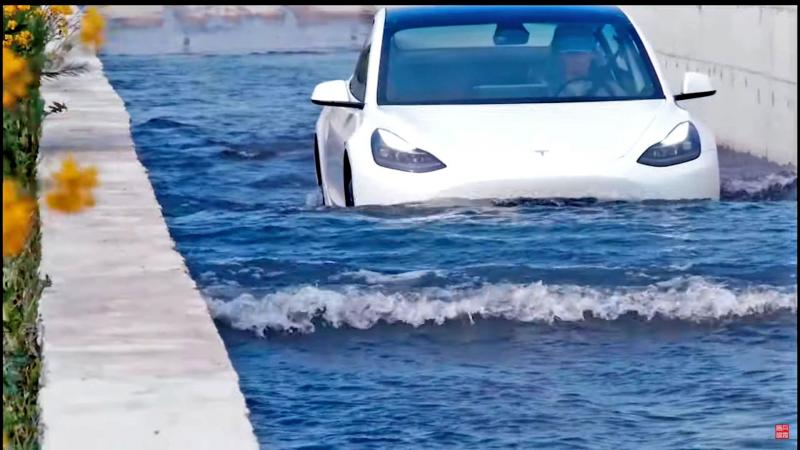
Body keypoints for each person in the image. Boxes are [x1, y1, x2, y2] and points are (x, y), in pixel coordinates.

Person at [546, 24, 625, 98]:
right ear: (557, 56)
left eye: (582, 53)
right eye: (570, 53)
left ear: (593, 55)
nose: (577, 59)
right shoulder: (541, 90)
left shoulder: (611, 90)